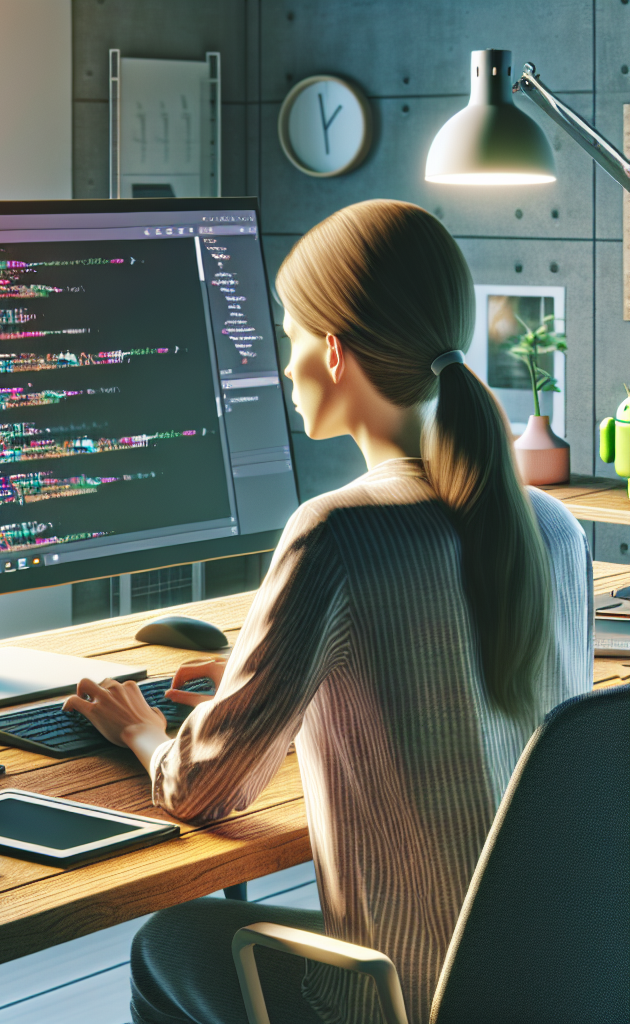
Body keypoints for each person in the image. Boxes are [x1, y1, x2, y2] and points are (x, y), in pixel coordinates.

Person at [62, 199, 593, 1024]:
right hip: (552, 985)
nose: (284, 366)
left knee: (169, 940)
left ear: (336, 351)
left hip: (402, 997)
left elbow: (204, 790)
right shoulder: (552, 526)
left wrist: (139, 729)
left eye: (290, 336)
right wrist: (265, 678)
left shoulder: (338, 532)